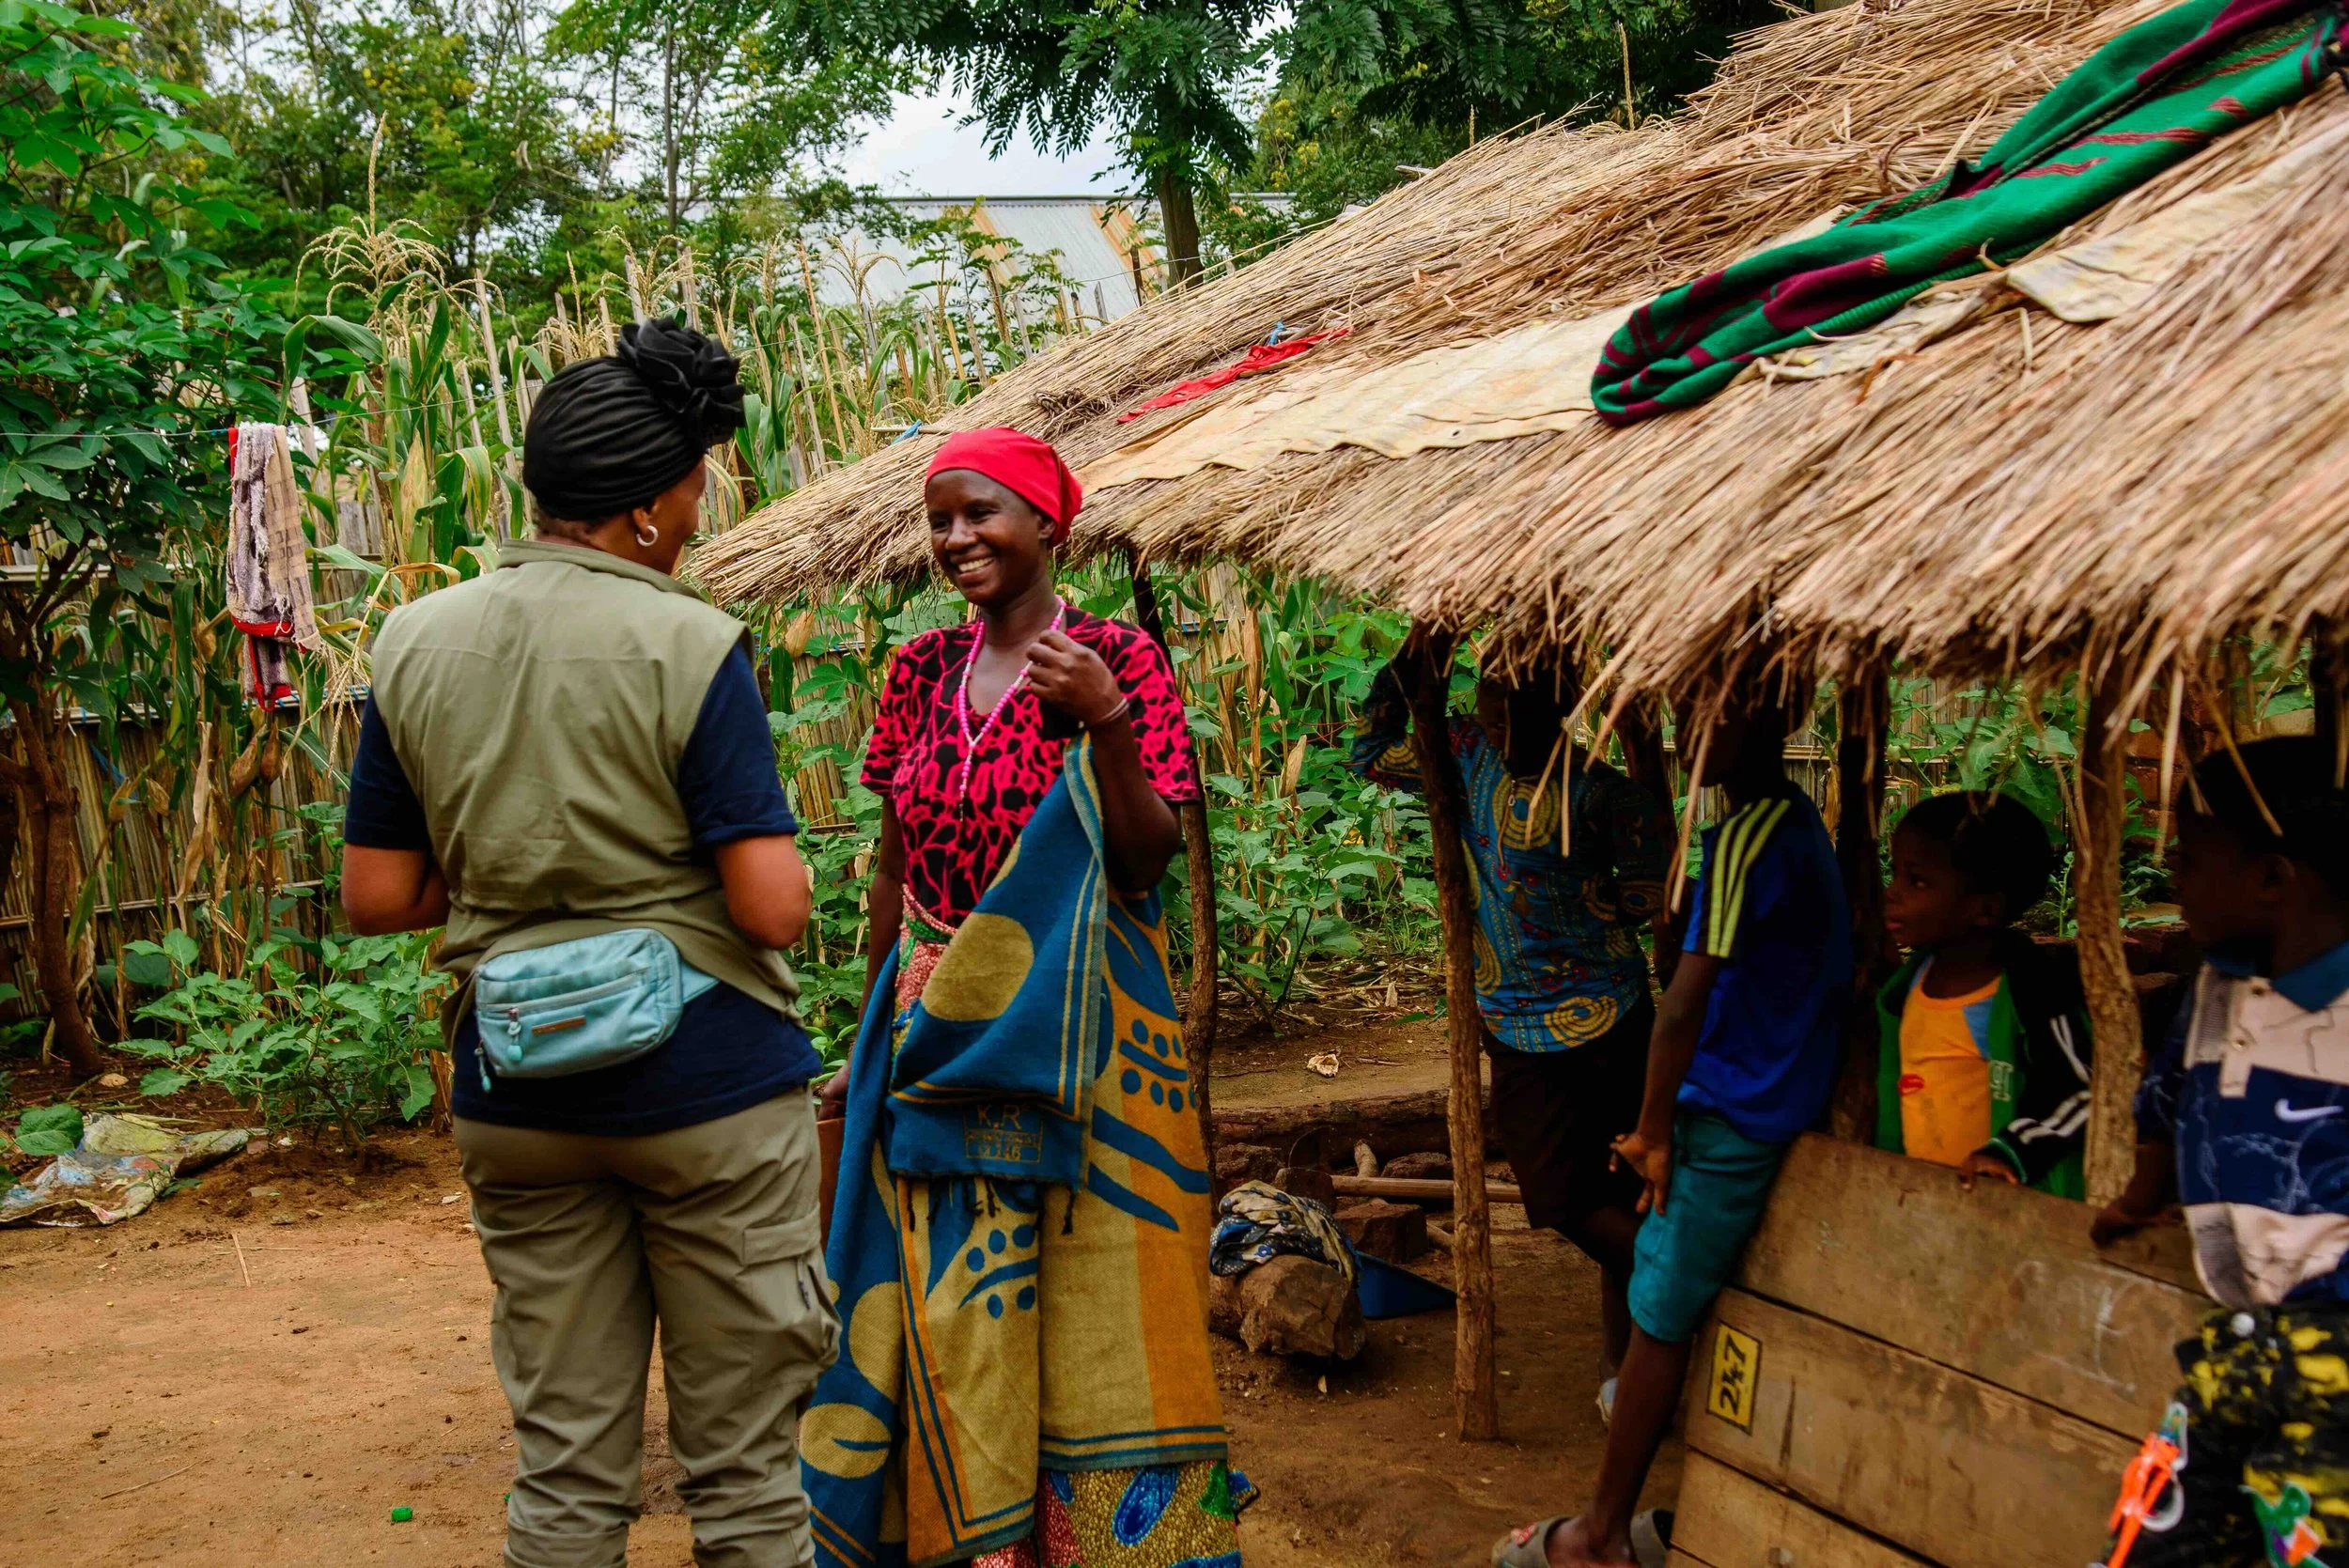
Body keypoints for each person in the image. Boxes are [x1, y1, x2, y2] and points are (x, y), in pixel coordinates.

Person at [341, 318, 838, 1568]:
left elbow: (378, 893)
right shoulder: (687, 642)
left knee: (565, 1470)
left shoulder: (413, 639)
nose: (699, 509)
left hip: (517, 1092)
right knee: (746, 1479)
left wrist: (520, 872)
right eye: (695, 487)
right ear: (649, 509)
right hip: (708, 1093)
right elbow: (772, 909)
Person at [803, 427, 1242, 1568]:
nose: (956, 538)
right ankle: (981, 1543)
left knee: (1097, 1294)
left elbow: (1143, 861)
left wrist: (1104, 718)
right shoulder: (918, 673)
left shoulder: (1117, 660)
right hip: (936, 1037)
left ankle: (1113, 1545)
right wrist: (869, 1038)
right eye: (940, 520)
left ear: (1047, 522)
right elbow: (894, 868)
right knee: (953, 1300)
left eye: (980, 513)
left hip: (1086, 1039)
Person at [1496, 685, 1853, 1568]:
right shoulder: (1792, 823)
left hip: (1738, 1107)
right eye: (1688, 707)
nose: (1692, 727)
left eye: (1715, 710)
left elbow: (1686, 1000)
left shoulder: (1740, 841)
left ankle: (1600, 1535)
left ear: (1772, 717)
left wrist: (1653, 1130)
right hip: (1770, 1089)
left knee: (1659, 1305)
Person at [1351, 643, 1673, 1405]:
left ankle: (1625, 1370)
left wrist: (1598, 887)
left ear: (1559, 709)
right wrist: (1414, 654)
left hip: (1613, 1022)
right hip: (1516, 1026)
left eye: (1517, 716)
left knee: (1621, 1193)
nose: (1502, 730)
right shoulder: (1464, 753)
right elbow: (1369, 752)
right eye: (1492, 713)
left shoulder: (1601, 794)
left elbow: (1649, 895)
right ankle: (1674, 1282)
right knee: (1558, 1197)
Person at [2092, 738, 2349, 1567]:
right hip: (2241, 1341)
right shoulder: (2215, 988)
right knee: (2149, 1541)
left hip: (2337, 1362)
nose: (2173, 874)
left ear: (2272, 879)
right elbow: (2166, 1103)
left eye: (2192, 858)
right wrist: (2138, 1199)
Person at [1875, 791, 2093, 1196]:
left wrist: (2011, 1153)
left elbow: (2080, 1089)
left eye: (1916, 881)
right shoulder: (1907, 986)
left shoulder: (2029, 992)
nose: (1893, 892)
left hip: (2010, 1209)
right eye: (1896, 875)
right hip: (1922, 1201)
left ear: (1986, 910)